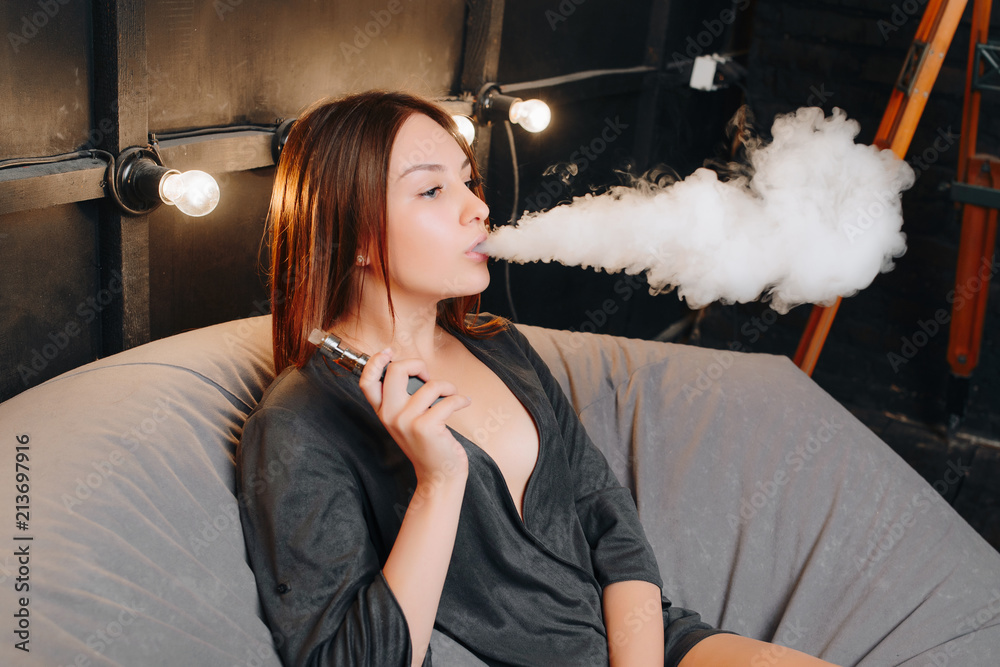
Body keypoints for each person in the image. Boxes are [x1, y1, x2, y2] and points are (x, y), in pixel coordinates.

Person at [237, 90, 839, 667]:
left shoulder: (498, 343)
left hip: (644, 642)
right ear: (354, 237)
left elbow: (607, 518)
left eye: (468, 181)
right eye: (431, 190)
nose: (478, 207)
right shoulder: (298, 424)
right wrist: (438, 482)